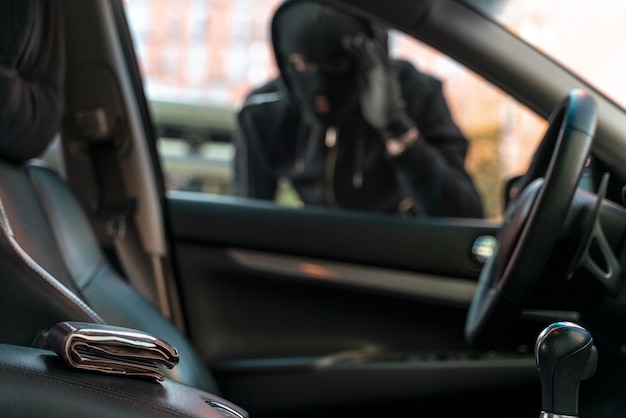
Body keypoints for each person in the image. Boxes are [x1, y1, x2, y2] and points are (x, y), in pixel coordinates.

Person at [232, 0, 483, 218]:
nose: (319, 88)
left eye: (337, 65)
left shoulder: (417, 93)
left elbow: (463, 214)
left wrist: (397, 130)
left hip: (396, 252)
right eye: (302, 64)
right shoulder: (265, 111)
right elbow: (248, 219)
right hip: (310, 257)